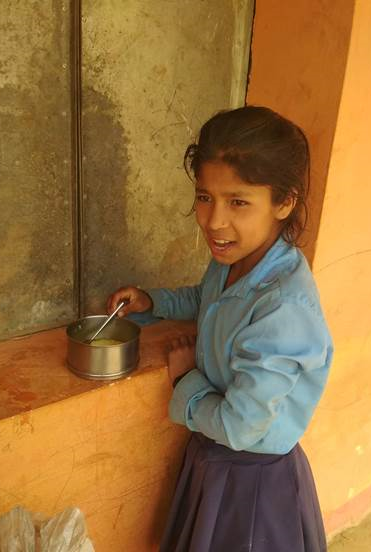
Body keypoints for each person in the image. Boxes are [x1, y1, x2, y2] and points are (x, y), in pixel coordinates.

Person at [107, 106, 333, 552]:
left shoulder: (282, 309)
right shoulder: (237, 261)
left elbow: (240, 426)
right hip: (216, 462)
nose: (214, 221)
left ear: (284, 202)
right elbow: (208, 299)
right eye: (204, 196)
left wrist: (184, 381)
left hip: (251, 483)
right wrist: (155, 302)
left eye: (238, 202)